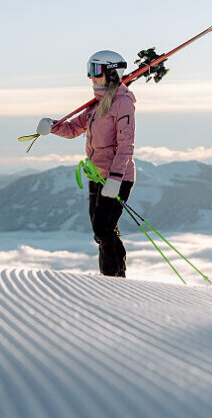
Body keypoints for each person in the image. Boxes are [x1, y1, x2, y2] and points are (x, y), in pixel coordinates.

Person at [37, 50, 136, 277]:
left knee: (105, 228)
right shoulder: (95, 105)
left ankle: (115, 278)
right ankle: (111, 276)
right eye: (89, 70)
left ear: (111, 73)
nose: (91, 76)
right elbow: (73, 129)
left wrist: (116, 178)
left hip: (116, 177)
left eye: (96, 70)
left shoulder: (122, 103)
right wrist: (51, 126)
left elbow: (126, 145)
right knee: (100, 231)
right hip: (96, 175)